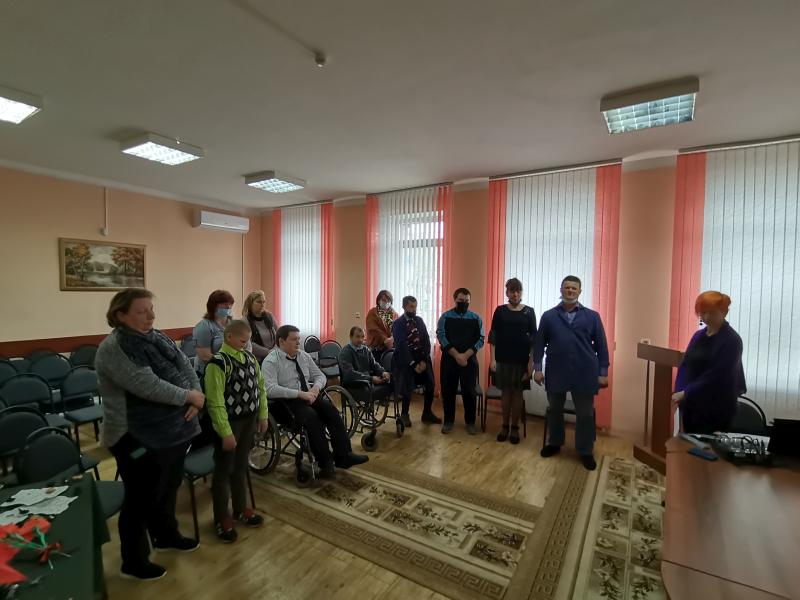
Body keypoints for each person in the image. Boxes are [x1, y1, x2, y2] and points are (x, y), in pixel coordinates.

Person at [95, 288, 203, 581]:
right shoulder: (114, 347)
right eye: (142, 311)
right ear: (120, 315)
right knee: (140, 498)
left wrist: (197, 395)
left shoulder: (157, 337)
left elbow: (185, 364)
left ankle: (165, 535)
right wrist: (189, 397)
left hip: (173, 431)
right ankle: (133, 561)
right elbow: (148, 385)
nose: (151, 316)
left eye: (151, 309)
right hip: (135, 436)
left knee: (169, 486)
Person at [262, 325, 368, 478]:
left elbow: (320, 376)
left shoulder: (303, 356)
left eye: (299, 339)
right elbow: (269, 388)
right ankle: (325, 463)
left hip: (309, 395)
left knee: (331, 411)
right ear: (281, 341)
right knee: (312, 419)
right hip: (286, 402)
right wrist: (300, 394)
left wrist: (316, 388)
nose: (298, 342)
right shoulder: (271, 361)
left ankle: (343, 456)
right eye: (294, 339)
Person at [533, 276, 609, 471]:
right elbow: (539, 344)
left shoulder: (592, 316)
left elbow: (602, 345)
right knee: (554, 409)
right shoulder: (549, 316)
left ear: (580, 291)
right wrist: (537, 369)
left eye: (574, 288)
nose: (570, 291)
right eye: (567, 287)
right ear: (561, 289)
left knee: (585, 413)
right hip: (556, 370)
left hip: (585, 371)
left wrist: (603, 372)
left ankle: (585, 450)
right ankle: (555, 442)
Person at [204, 319, 269, 543]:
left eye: (248, 341)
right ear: (229, 337)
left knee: (241, 467)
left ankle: (240, 509)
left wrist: (263, 414)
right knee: (223, 472)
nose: (246, 345)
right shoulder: (218, 364)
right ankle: (221, 518)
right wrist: (225, 432)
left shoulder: (249, 358)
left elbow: (260, 387)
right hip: (230, 424)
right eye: (243, 341)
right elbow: (215, 402)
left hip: (249, 421)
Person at [672, 291, 746, 434]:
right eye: (703, 313)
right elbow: (685, 365)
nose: (706, 317)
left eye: (712, 313)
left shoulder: (732, 340)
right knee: (689, 443)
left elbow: (717, 375)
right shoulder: (698, 335)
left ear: (724, 312)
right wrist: (679, 390)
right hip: (692, 404)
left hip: (716, 407)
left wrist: (686, 392)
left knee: (708, 446)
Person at [488, 278, 537, 444]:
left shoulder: (529, 312)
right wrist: (492, 359)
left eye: (518, 290)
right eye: (512, 291)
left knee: (517, 394)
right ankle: (504, 426)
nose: (515, 294)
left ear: (521, 292)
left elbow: (534, 339)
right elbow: (493, 336)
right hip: (502, 359)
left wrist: (531, 363)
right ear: (507, 293)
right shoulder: (500, 311)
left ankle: (515, 427)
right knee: (506, 394)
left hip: (521, 360)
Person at [436, 288, 485, 435]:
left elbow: (481, 339)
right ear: (455, 300)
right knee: (448, 391)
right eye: (460, 301)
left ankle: (470, 422)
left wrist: (465, 356)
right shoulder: (445, 317)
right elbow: (441, 336)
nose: (464, 303)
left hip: (469, 360)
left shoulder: (476, 318)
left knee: (469, 392)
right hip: (449, 359)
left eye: (466, 301)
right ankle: (448, 421)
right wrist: (457, 355)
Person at [391, 296, 441, 426]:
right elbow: (401, 346)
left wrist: (424, 361)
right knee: (407, 387)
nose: (414, 309)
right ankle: (404, 414)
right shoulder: (398, 324)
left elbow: (426, 341)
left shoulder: (419, 321)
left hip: (421, 358)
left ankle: (427, 413)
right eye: (411, 307)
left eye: (415, 306)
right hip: (405, 360)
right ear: (404, 307)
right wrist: (413, 364)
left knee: (430, 384)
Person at [339, 326, 392, 417]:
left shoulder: (365, 349)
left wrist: (383, 372)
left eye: (362, 337)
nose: (360, 340)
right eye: (357, 336)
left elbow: (374, 365)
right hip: (353, 385)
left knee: (389, 381)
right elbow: (349, 374)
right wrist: (371, 378)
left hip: (367, 382)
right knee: (373, 388)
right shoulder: (345, 352)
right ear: (351, 337)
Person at [193, 290, 235, 379]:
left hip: (231, 371)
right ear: (214, 305)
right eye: (224, 303)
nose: (228, 306)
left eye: (230, 303)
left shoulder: (234, 324)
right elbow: (205, 357)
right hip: (209, 373)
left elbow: (246, 345)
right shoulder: (203, 326)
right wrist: (230, 364)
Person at [242, 290, 278, 364]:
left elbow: (279, 335)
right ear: (250, 304)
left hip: (274, 356)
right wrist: (268, 352)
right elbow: (248, 343)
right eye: (258, 302)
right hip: (257, 360)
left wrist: (275, 350)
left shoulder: (269, 316)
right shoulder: (245, 320)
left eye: (264, 302)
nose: (262, 305)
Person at [365, 290, 398, 360]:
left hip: (392, 349)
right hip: (377, 349)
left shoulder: (395, 314)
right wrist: (385, 339)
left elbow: (399, 328)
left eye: (388, 300)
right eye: (384, 300)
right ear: (378, 300)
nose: (386, 302)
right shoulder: (372, 312)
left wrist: (392, 338)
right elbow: (373, 329)